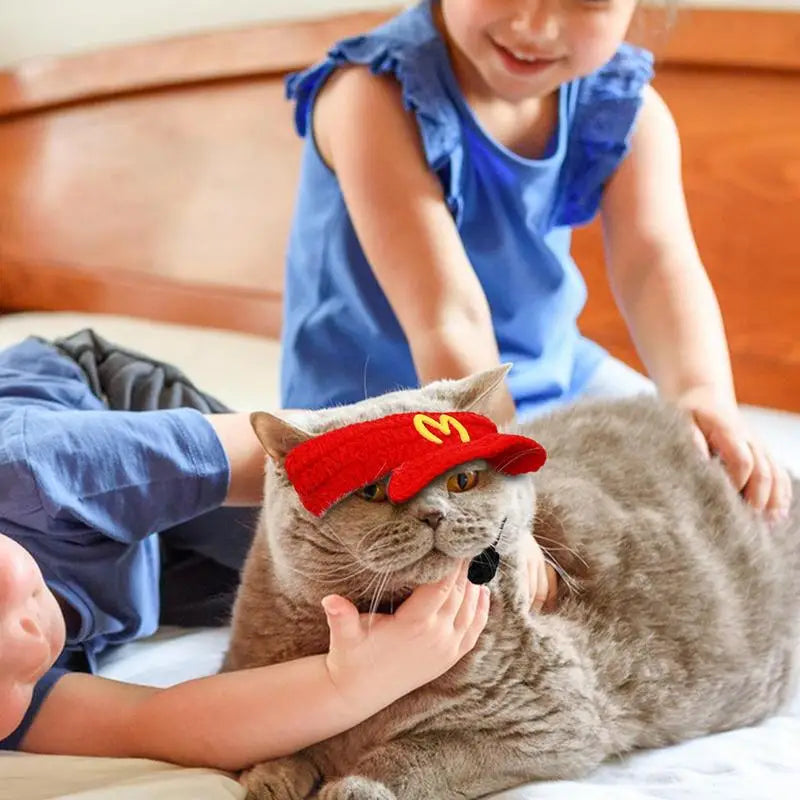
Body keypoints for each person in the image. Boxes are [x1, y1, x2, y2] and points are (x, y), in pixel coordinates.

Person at [280, 0, 792, 519]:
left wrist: (700, 393)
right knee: (493, 560)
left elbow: (656, 264)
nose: (534, 27)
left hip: (555, 370)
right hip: (396, 400)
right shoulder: (371, 95)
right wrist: (505, 485)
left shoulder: (626, 108)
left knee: (737, 483)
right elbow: (447, 318)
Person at [0, 335, 554, 765]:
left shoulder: (41, 470)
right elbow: (152, 723)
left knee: (329, 521)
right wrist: (353, 680)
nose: (20, 647)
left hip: (103, 417)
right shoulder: (7, 697)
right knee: (314, 606)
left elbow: (309, 451)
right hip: (128, 573)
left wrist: (493, 513)